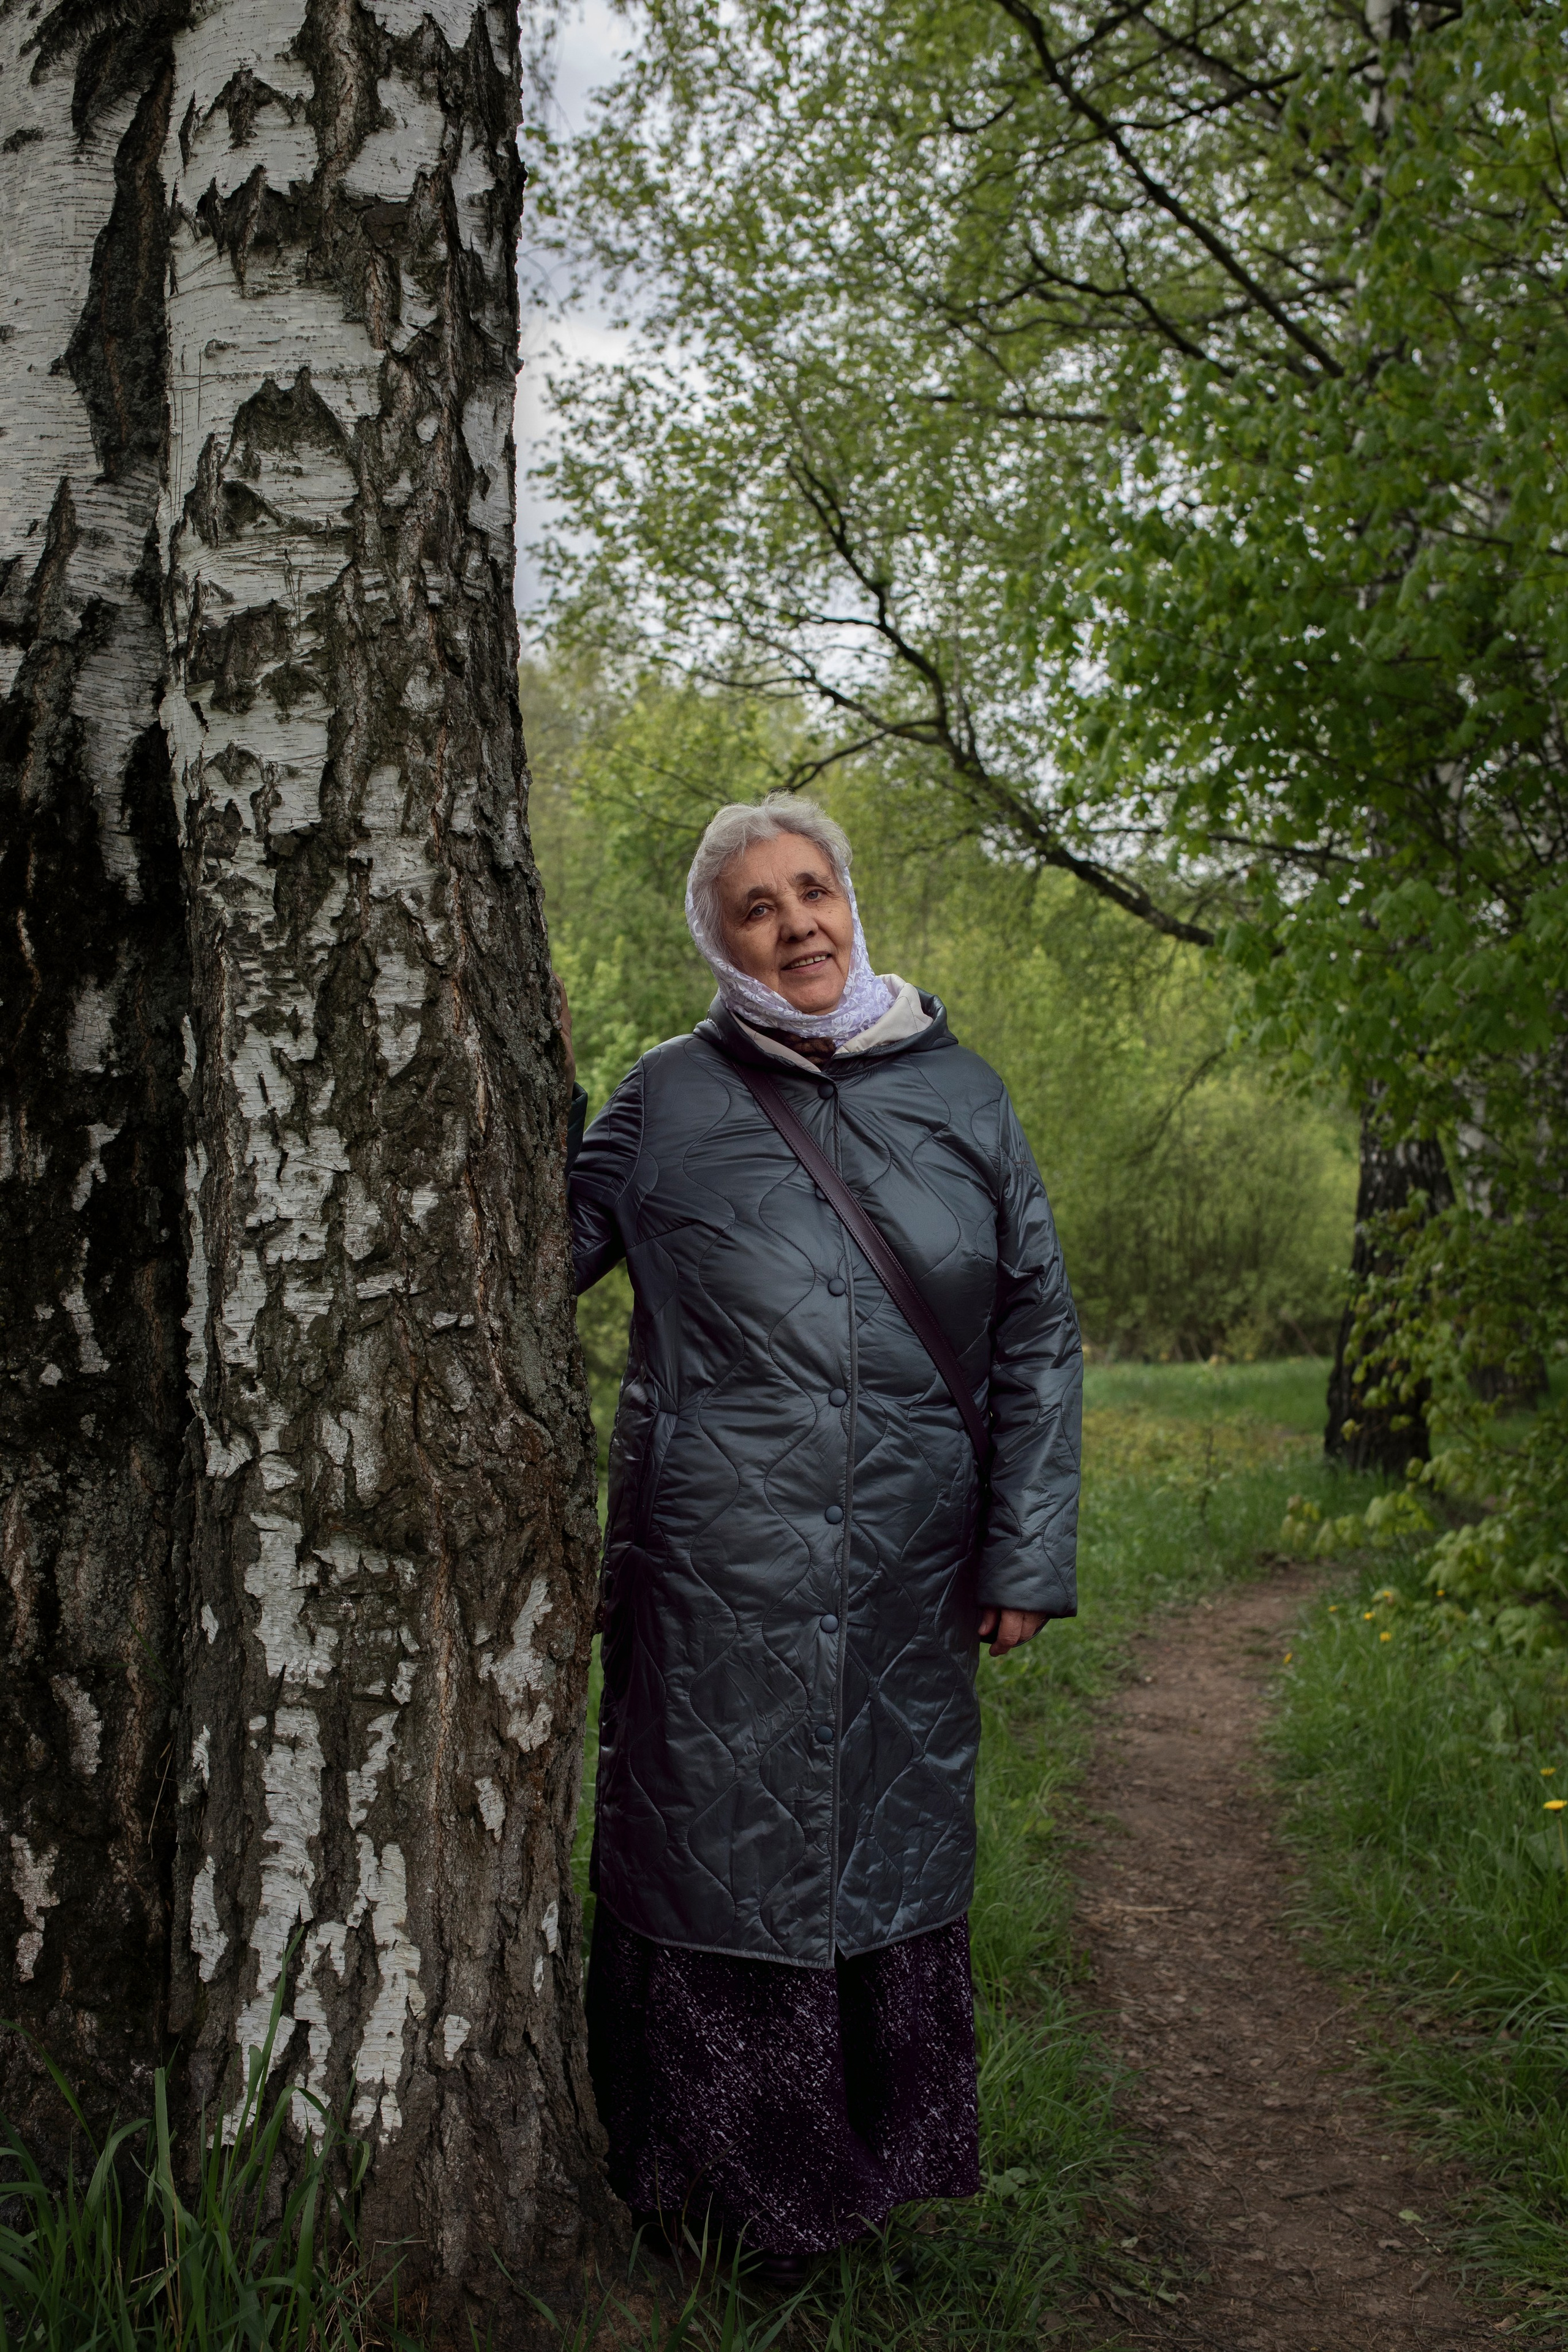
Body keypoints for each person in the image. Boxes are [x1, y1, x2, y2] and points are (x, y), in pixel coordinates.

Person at [562, 794, 1081, 2285]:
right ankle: (710, 2202)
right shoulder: (662, 1096)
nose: (793, 923)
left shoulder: (964, 1094)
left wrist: (1022, 1556)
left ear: (849, 903)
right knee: (713, 1860)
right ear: (715, 942)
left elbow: (1038, 1329)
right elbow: (541, 1243)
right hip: (714, 1570)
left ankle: (856, 2193)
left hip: (913, 1574)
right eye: (754, 907)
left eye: (811, 891)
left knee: (882, 1850)